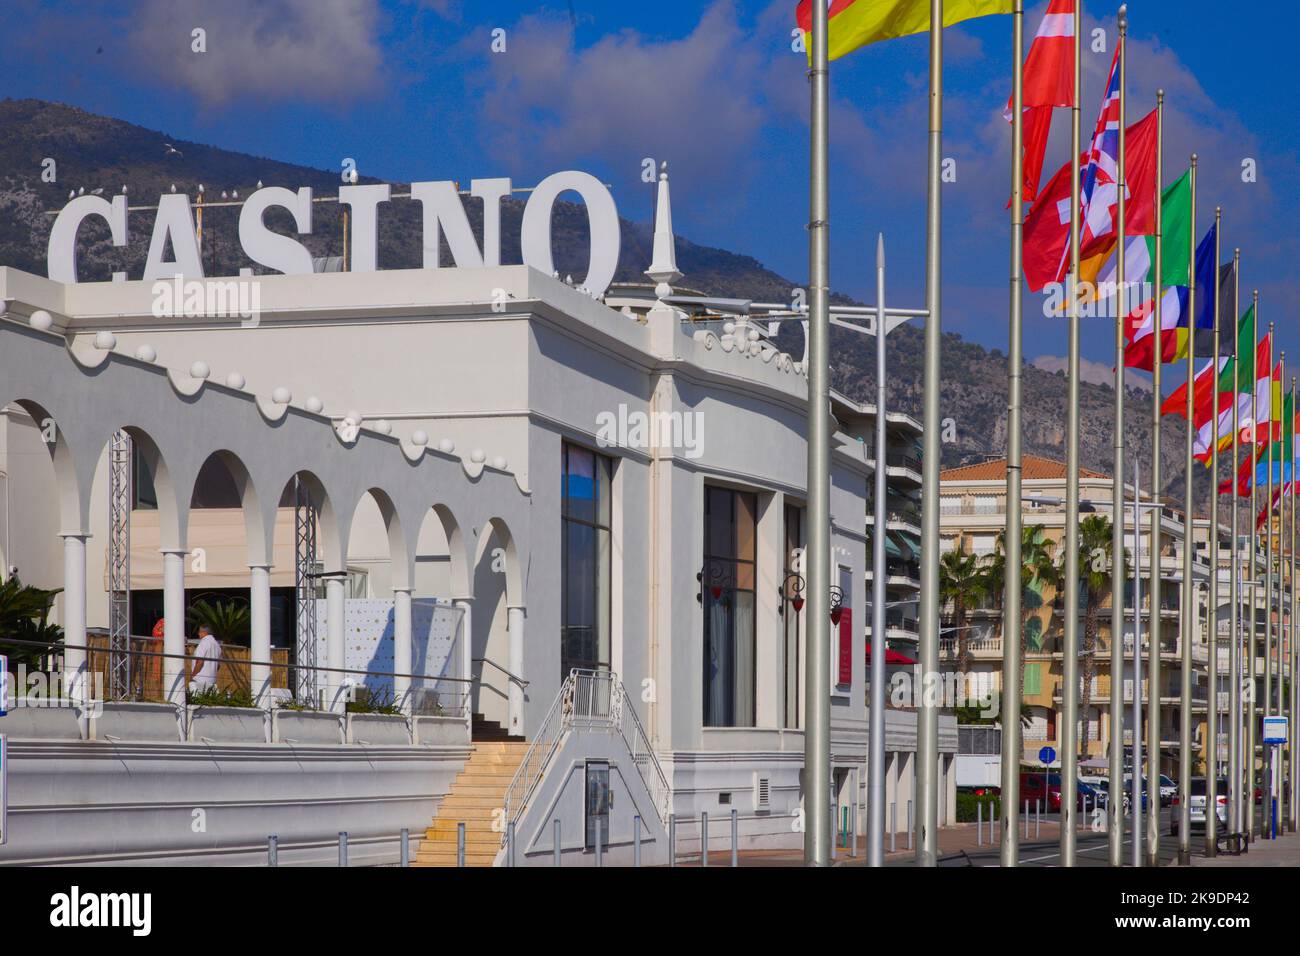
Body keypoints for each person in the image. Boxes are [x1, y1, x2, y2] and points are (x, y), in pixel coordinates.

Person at [188, 625, 221, 694]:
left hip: (200, 679)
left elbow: (200, 662)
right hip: (212, 680)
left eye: (199, 632)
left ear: (204, 632)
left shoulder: (204, 643)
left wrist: (193, 675)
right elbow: (218, 666)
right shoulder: (217, 645)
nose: (198, 634)